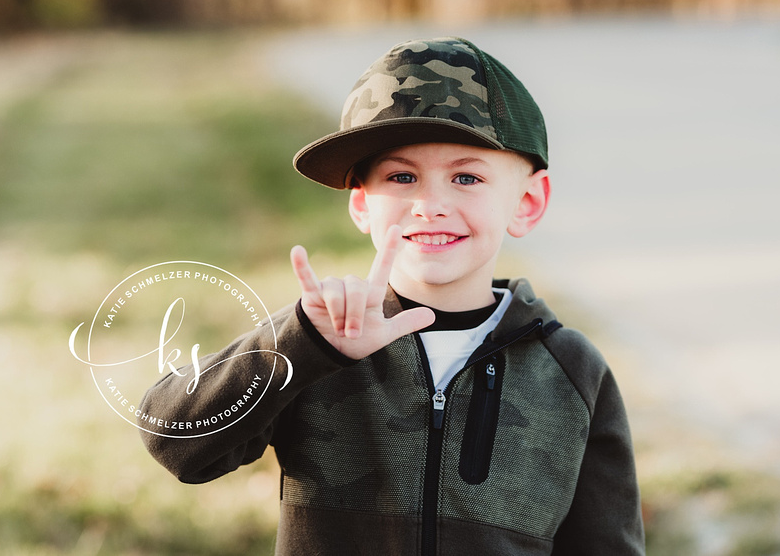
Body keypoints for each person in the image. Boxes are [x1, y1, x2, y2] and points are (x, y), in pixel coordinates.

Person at [139, 37, 645, 555]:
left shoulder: (572, 374)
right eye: (401, 177)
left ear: (528, 202)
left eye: (466, 177)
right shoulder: (323, 339)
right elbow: (175, 443)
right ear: (361, 204)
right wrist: (302, 345)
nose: (429, 205)